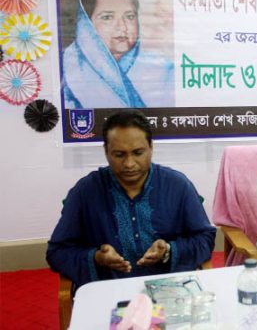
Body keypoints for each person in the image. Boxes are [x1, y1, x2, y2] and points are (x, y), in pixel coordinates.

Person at [47, 110, 215, 290]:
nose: (129, 164)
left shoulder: (177, 185)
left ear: (151, 147)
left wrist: (168, 250)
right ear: (106, 151)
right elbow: (57, 252)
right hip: (108, 292)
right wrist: (97, 258)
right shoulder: (86, 191)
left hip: (169, 291)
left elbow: (205, 238)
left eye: (138, 152)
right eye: (119, 154)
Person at [62, 0, 174, 109]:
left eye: (129, 16)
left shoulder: (164, 70)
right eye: (107, 17)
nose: (122, 27)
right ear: (86, 24)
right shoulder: (66, 66)